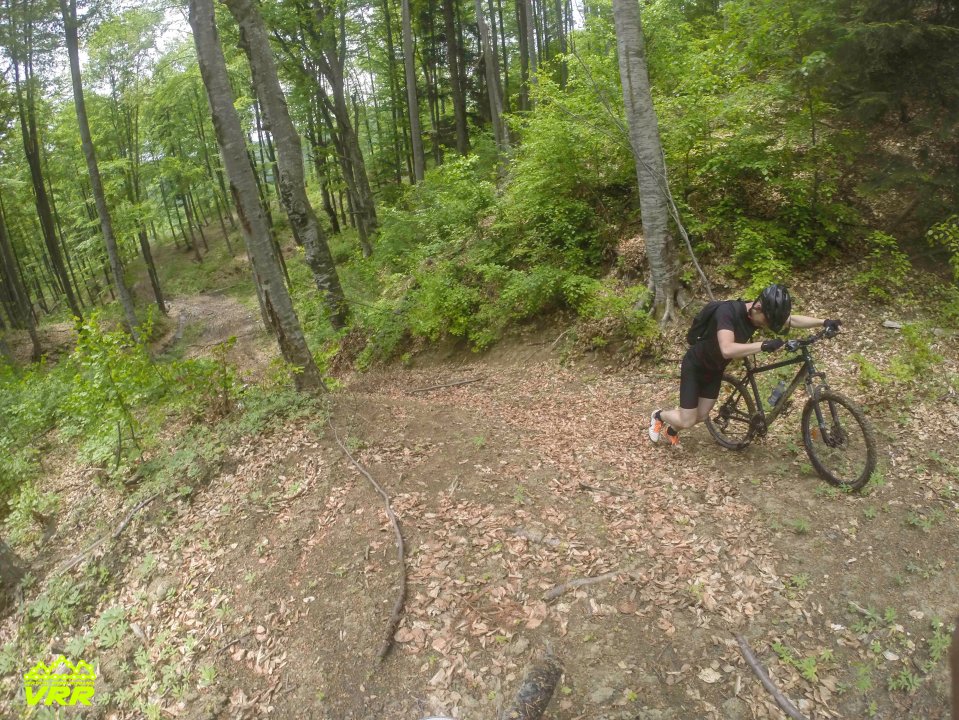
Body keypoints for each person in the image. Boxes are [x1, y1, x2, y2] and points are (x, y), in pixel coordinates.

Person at [648, 284, 840, 446]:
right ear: (757, 307)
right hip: (696, 366)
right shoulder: (727, 313)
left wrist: (823, 322)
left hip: (715, 369)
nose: (767, 325)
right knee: (688, 419)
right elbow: (727, 349)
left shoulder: (761, 313)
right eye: (767, 321)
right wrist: (763, 345)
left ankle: (672, 430)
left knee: (701, 415)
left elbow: (792, 320)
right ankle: (659, 416)